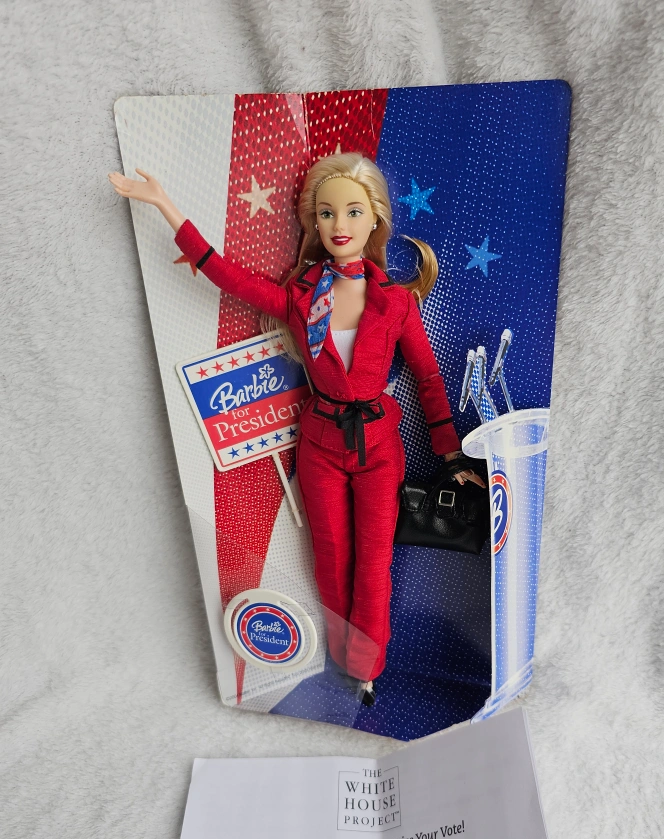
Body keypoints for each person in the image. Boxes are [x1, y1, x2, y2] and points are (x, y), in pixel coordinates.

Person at [108, 153, 483, 706]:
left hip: (379, 445)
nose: (339, 225)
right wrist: (166, 205)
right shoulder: (301, 297)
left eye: (353, 212)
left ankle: (367, 668)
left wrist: (449, 454)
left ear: (375, 219)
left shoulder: (397, 303)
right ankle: (343, 659)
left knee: (374, 563)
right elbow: (227, 276)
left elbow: (427, 378)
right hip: (322, 442)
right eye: (327, 213)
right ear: (314, 221)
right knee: (330, 557)